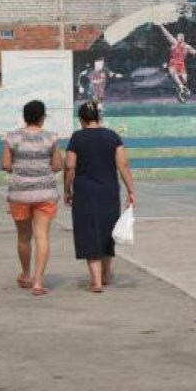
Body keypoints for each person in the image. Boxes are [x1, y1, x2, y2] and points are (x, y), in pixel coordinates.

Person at [64, 101, 137, 293]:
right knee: (106, 231)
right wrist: (131, 191)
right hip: (109, 192)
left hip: (85, 193)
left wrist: (66, 190)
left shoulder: (77, 138)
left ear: (81, 119)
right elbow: (123, 165)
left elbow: (70, 166)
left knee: (89, 233)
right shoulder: (113, 136)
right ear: (98, 117)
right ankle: (105, 275)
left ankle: (95, 281)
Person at [0, 100, 63, 296]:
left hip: (19, 195)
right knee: (42, 236)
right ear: (42, 117)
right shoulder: (51, 138)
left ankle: (26, 275)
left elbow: (5, 165)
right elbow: (58, 166)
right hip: (45, 194)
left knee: (24, 237)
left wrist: (20, 167)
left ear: (24, 117)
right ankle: (38, 283)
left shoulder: (12, 138)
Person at [158, 24, 196, 101]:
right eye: (179, 37)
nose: (180, 38)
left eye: (182, 37)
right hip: (173, 63)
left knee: (185, 79)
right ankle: (180, 86)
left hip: (181, 64)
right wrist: (161, 26)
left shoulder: (187, 46)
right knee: (174, 75)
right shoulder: (174, 43)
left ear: (184, 38)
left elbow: (195, 52)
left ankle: (181, 90)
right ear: (177, 38)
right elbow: (167, 34)